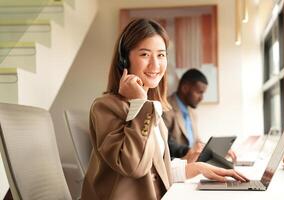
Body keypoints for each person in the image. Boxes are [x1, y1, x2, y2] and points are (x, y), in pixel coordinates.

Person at [81, 18, 247, 200]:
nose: (155, 65)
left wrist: (199, 168)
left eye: (160, 55)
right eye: (144, 55)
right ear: (124, 61)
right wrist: (141, 104)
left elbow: (158, 171)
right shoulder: (106, 107)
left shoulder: (152, 108)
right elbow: (134, 167)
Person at [163, 69, 236, 163]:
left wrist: (216, 151)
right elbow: (167, 145)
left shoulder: (191, 112)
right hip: (177, 167)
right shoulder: (164, 108)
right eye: (199, 92)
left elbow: (196, 142)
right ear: (185, 88)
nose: (201, 98)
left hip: (194, 163)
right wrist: (191, 152)